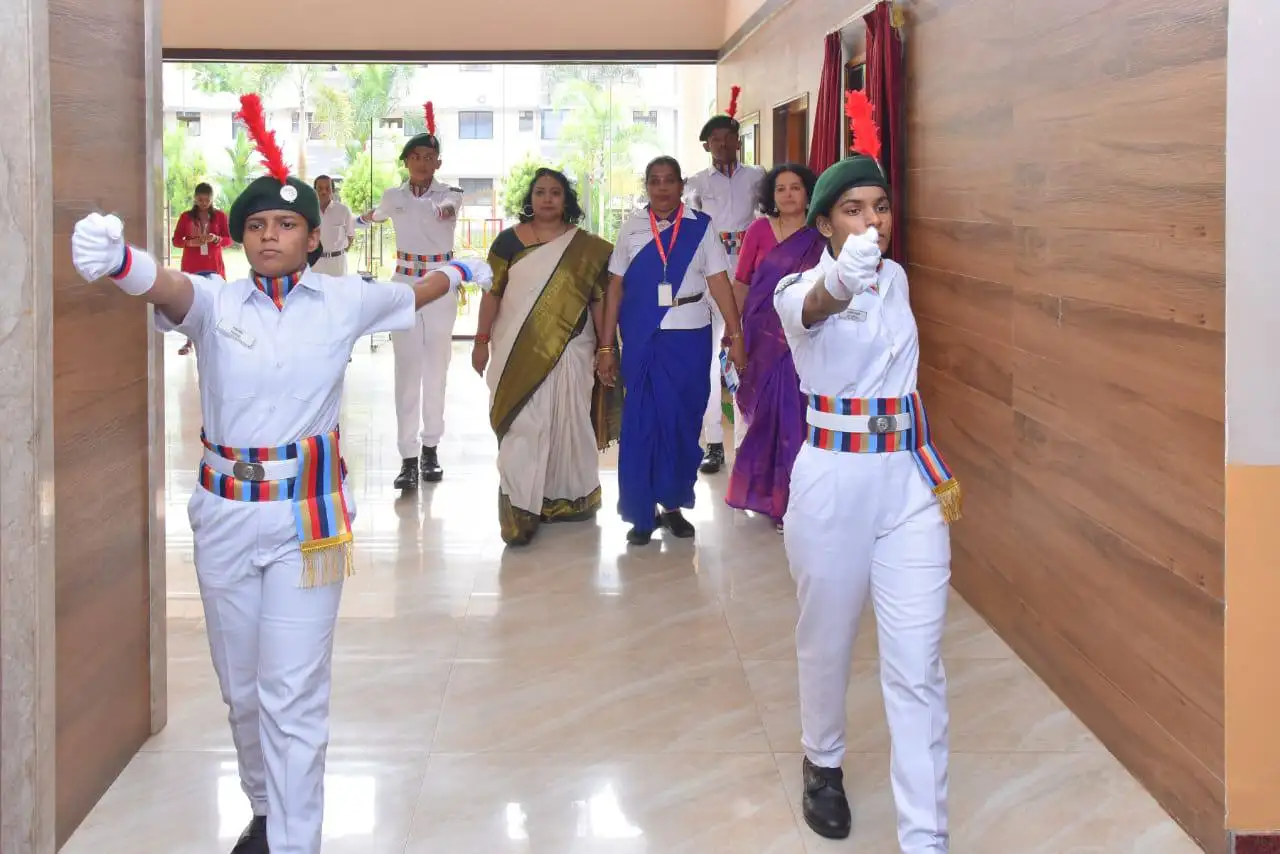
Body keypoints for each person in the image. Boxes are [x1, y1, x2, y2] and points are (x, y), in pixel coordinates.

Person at [68, 93, 489, 854]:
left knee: (292, 694)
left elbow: (413, 292)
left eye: (287, 224)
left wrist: (460, 268)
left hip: (307, 521)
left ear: (312, 237)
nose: (270, 234)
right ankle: (266, 810)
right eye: (258, 223)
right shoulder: (215, 302)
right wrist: (122, 262)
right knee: (242, 692)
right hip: (225, 512)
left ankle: (296, 841)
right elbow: (168, 286)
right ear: (242, 237)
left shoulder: (343, 300)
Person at [774, 93, 961, 852]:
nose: (871, 222)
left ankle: (926, 837)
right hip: (834, 481)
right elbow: (818, 305)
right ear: (824, 224)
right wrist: (843, 281)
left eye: (879, 207)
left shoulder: (901, 279)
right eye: (852, 210)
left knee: (918, 666)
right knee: (827, 640)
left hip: (910, 482)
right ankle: (822, 761)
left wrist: (870, 275)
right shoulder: (795, 289)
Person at [597, 156, 746, 546]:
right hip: (642, 334)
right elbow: (615, 287)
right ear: (646, 186)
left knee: (681, 422)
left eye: (669, 180)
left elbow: (719, 281)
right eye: (654, 181)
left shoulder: (701, 227)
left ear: (682, 185)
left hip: (690, 335)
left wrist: (736, 334)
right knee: (642, 423)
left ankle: (673, 504)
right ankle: (641, 510)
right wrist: (606, 345)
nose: (661, 188)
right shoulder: (631, 227)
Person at [471, 168, 619, 546]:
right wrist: (481, 339)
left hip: (573, 347)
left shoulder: (587, 248)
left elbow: (600, 301)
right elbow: (492, 293)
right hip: (516, 351)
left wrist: (606, 348)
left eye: (555, 192)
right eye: (540, 192)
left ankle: (567, 499)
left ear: (566, 199)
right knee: (524, 425)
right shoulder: (508, 242)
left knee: (570, 420)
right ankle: (520, 506)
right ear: (530, 198)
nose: (548, 199)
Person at [356, 101, 465, 488]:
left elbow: (446, 210)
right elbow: (373, 216)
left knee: (436, 368)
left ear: (438, 162)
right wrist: (344, 224)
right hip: (404, 285)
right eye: (416, 156)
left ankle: (430, 448)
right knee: (406, 371)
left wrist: (437, 207)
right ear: (406, 161)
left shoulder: (450, 194)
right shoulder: (393, 196)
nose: (422, 162)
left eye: (429, 157)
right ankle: (407, 457)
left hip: (440, 283)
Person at [724, 163, 823, 531]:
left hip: (806, 340)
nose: (788, 194)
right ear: (771, 196)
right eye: (780, 189)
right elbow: (742, 284)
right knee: (767, 418)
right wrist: (734, 334)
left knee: (800, 417)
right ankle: (771, 497)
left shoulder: (821, 233)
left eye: (795, 187)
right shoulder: (758, 230)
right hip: (762, 339)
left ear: (808, 193)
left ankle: (798, 501)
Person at [684, 85, 766, 474]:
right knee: (710, 359)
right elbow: (690, 228)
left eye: (727, 137)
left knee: (748, 351)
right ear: (706, 145)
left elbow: (767, 218)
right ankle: (714, 442)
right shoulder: (697, 182)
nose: (722, 143)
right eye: (714, 139)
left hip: (751, 273)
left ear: (738, 139)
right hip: (711, 275)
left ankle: (747, 442)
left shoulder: (758, 176)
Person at [171, 181, 232, 354]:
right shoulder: (186, 217)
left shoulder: (220, 216)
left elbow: (229, 240)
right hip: (192, 265)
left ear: (212, 199)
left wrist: (215, 239)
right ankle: (189, 342)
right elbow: (176, 241)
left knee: (216, 301)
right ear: (195, 199)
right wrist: (191, 242)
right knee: (191, 302)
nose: (204, 203)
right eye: (200, 200)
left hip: (214, 265)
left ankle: (217, 339)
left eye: (207, 200)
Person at [312, 174, 355, 276]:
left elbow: (350, 235)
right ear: (314, 191)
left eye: (328, 188)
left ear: (333, 191)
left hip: (337, 264)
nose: (323, 192)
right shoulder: (308, 211)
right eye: (320, 188)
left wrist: (338, 252)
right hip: (315, 263)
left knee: (339, 287)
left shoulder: (343, 210)